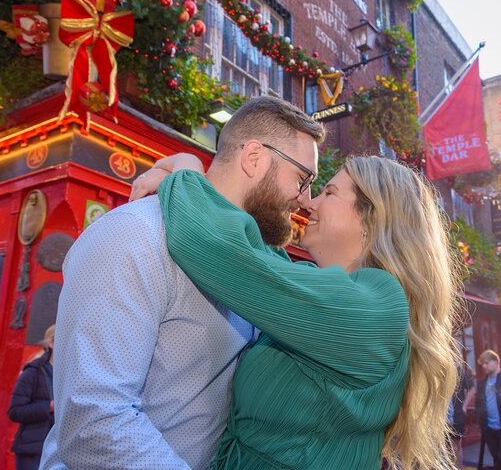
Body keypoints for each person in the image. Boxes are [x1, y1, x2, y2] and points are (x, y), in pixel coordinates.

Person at [39, 96, 326, 469]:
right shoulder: (135, 234)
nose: (306, 200)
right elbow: (92, 423)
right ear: (254, 157)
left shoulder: (253, 263)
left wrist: (185, 167)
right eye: (304, 179)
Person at [133, 152, 463, 469]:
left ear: (370, 218)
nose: (309, 202)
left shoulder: (375, 306)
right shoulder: (350, 295)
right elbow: (255, 251)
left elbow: (215, 249)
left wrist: (187, 168)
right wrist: (186, 181)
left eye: (329, 193)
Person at [8, 325, 56, 470]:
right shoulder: (33, 371)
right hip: (33, 451)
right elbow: (15, 411)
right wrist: (49, 407)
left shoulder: (72, 373)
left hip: (58, 449)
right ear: (51, 343)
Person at [448, 363, 477, 468]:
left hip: (455, 415)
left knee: (455, 446)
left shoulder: (457, 369)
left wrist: (464, 406)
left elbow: (472, 388)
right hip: (438, 418)